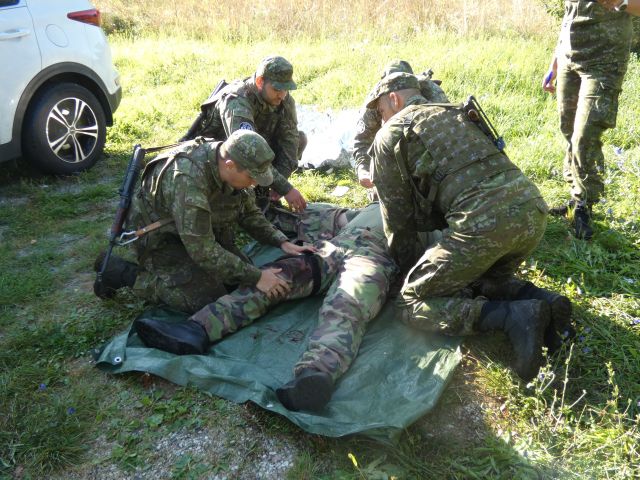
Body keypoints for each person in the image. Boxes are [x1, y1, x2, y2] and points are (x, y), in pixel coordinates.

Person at [368, 73, 573, 382]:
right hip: (532, 211)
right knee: (475, 278)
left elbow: (398, 220)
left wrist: (408, 272)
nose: (381, 118)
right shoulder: (456, 111)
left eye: (381, 111)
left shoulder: (391, 133)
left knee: (411, 302)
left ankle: (512, 317)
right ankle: (544, 300)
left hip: (482, 226)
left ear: (394, 99)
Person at [133, 203, 399, 412]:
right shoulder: (366, 208)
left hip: (374, 258)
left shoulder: (416, 219)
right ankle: (196, 329)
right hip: (330, 249)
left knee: (348, 305)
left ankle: (314, 375)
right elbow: (315, 215)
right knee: (275, 277)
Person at [94, 130, 313, 313]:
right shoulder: (187, 180)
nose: (255, 183)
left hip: (198, 229)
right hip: (162, 238)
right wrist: (256, 277)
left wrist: (281, 241)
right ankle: (121, 272)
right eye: (251, 177)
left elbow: (248, 213)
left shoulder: (229, 165)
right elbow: (203, 251)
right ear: (230, 165)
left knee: (235, 283)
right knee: (204, 300)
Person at [542, 0, 635, 239]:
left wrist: (621, 2)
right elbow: (569, 14)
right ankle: (576, 194)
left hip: (604, 61)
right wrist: (555, 61)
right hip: (569, 58)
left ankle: (585, 204)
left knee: (585, 134)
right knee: (568, 128)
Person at [191, 55, 308, 213]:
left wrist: (279, 185)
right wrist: (287, 188)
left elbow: (290, 142)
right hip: (223, 161)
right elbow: (245, 152)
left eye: (286, 89)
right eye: (276, 89)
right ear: (260, 82)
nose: (282, 95)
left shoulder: (284, 100)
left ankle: (262, 191)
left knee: (300, 139)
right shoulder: (237, 101)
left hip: (253, 151)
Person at [352, 59, 449, 190]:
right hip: (390, 149)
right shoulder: (376, 103)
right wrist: (363, 168)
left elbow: (447, 127)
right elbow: (362, 140)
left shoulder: (429, 91)